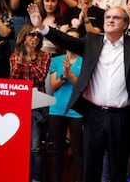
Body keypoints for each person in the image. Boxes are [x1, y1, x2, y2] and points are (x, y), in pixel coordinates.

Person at [28, 3, 130, 182]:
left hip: (122, 117)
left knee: (118, 171)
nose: (110, 20)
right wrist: (42, 27)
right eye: (107, 17)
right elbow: (67, 41)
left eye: (116, 17)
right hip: (93, 115)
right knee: (91, 169)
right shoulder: (92, 41)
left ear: (125, 24)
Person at [9, 24, 51, 182]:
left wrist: (30, 57)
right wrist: (25, 57)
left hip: (37, 106)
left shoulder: (45, 56)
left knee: (34, 147)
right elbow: (14, 77)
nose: (35, 38)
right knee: (17, 146)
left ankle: (36, 179)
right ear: (24, 37)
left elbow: (39, 77)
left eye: (37, 35)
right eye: (31, 35)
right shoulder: (14, 56)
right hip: (18, 104)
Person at [48, 28, 83, 182]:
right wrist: (63, 75)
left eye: (75, 38)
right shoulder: (57, 60)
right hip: (57, 110)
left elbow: (82, 87)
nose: (71, 41)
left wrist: (71, 74)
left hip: (77, 110)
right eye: (69, 38)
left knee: (78, 150)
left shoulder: (85, 60)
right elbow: (53, 86)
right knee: (57, 150)